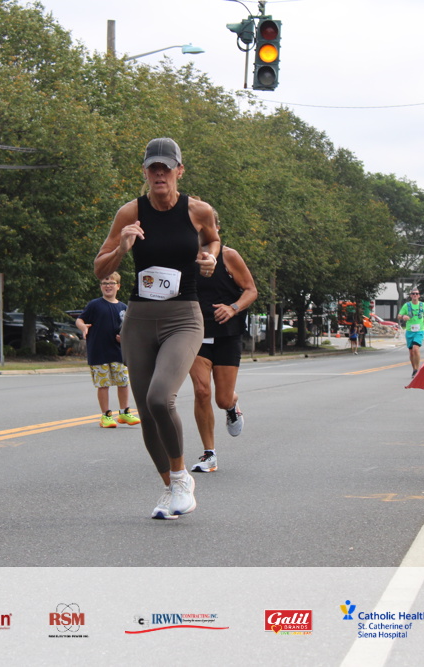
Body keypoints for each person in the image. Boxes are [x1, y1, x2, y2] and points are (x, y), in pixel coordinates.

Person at [93, 137, 219, 520]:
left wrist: (210, 257)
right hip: (140, 319)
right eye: (153, 168)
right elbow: (100, 267)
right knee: (147, 411)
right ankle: (170, 486)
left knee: (160, 397)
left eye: (166, 167)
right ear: (145, 172)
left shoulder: (198, 210)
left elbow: (213, 239)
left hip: (184, 317)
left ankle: (181, 480)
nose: (160, 174)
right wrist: (122, 248)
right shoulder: (130, 212)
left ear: (180, 171)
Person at [187, 225, 258, 473]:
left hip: (227, 334)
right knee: (201, 391)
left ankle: (232, 405)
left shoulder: (229, 255)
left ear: (215, 228)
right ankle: (209, 454)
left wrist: (233, 308)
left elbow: (251, 290)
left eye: (205, 225)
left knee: (222, 398)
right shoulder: (183, 257)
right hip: (196, 334)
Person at [75, 272, 141, 428]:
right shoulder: (95, 305)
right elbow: (80, 319)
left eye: (111, 283)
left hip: (118, 352)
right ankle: (106, 415)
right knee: (103, 384)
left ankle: (124, 412)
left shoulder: (124, 308)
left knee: (123, 382)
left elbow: (130, 330)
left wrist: (124, 338)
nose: (108, 286)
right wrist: (83, 326)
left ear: (118, 286)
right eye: (105, 283)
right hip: (99, 352)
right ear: (101, 287)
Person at [398, 289, 424, 378]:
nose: (415, 295)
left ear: (419, 295)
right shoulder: (406, 305)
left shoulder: (423, 305)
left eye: (416, 293)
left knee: (416, 349)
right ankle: (414, 369)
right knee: (411, 352)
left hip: (420, 330)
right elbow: (399, 316)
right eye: (413, 294)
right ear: (411, 295)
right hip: (409, 331)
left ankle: (418, 369)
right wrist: (403, 316)